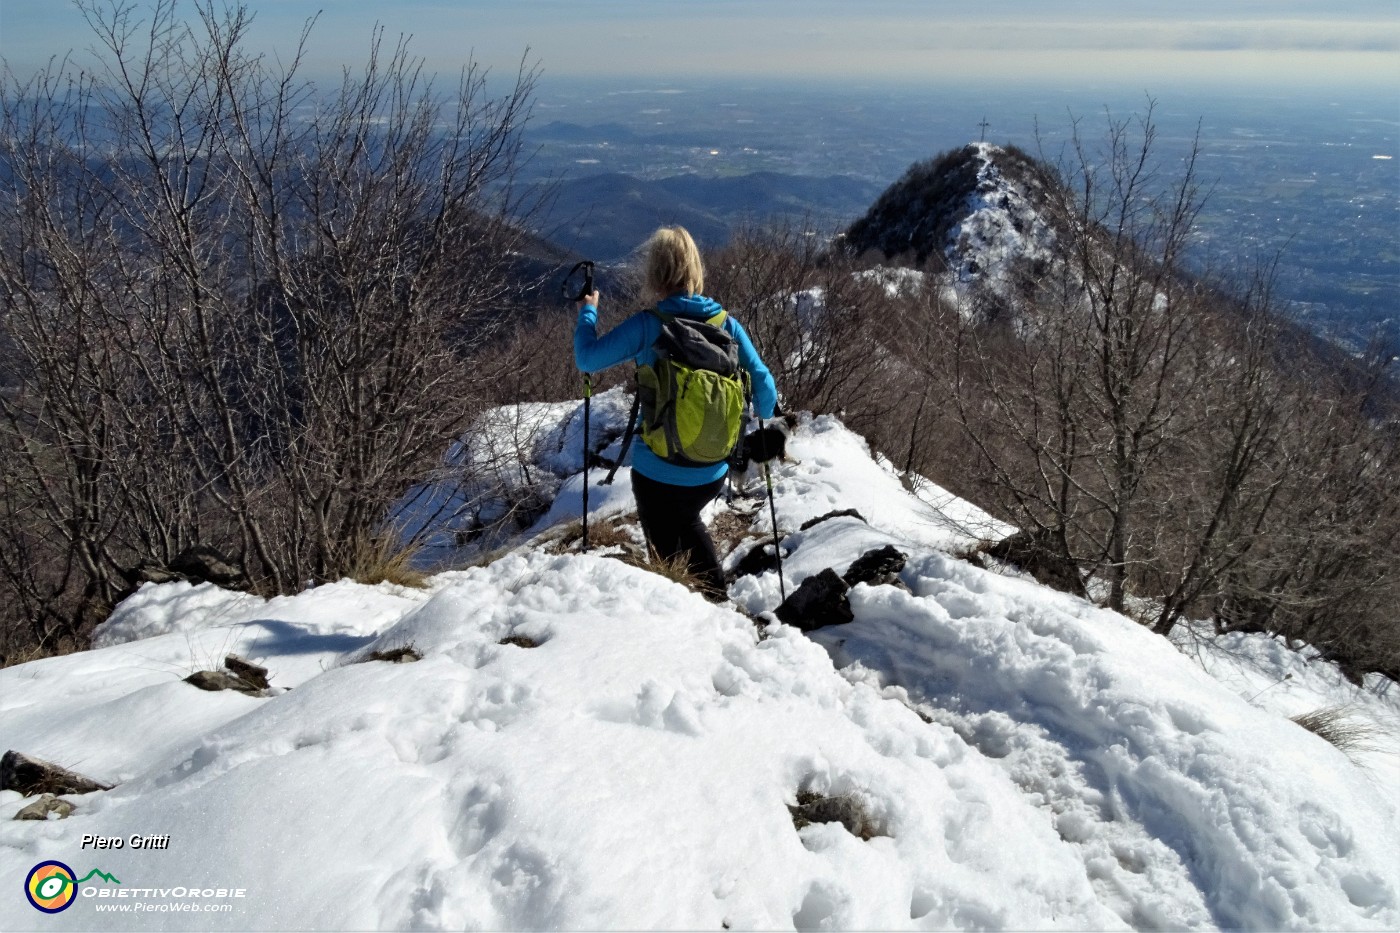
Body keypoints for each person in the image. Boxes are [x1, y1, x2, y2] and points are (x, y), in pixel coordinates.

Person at [574, 226, 778, 601]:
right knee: (686, 520)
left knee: (667, 554)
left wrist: (588, 313)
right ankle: (710, 601)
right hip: (712, 468)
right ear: (695, 269)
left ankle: (701, 605)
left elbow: (587, 358)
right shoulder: (727, 325)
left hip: (658, 472)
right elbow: (766, 393)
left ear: (656, 272)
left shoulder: (650, 326)